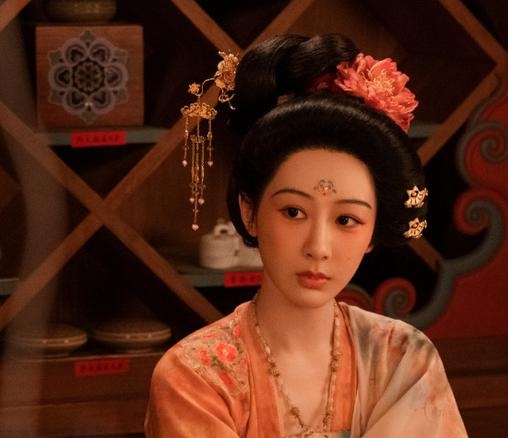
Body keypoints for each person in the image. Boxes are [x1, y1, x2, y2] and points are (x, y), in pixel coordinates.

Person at [145, 33, 468, 437]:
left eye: (346, 219)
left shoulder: (402, 357)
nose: (318, 247)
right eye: (293, 212)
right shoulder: (196, 374)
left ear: (372, 233)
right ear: (250, 213)